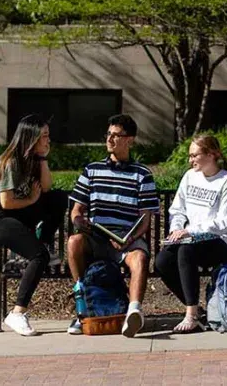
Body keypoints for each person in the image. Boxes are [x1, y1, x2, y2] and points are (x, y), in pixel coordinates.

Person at [67, 114, 159, 337]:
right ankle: (84, 310)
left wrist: (129, 238)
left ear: (130, 140)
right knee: (74, 242)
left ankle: (133, 312)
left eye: (116, 135)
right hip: (98, 238)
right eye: (108, 134)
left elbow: (145, 218)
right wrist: (81, 222)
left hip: (128, 239)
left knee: (140, 258)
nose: (110, 139)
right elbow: (76, 212)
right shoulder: (92, 170)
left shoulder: (142, 174)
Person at [0, 115, 68, 336]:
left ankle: (43, 243)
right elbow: (6, 202)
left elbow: (46, 189)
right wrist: (31, 200)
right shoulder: (11, 163)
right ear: (32, 138)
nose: (48, 140)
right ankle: (17, 313)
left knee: (58, 198)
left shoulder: (34, 159)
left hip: (19, 211)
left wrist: (43, 159)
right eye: (44, 136)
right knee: (39, 256)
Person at [155, 134, 227, 333]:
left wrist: (189, 231)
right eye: (190, 156)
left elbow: (223, 222)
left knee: (186, 250)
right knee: (162, 261)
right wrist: (176, 230)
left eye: (195, 155)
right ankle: (200, 310)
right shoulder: (189, 177)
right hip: (191, 238)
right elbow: (177, 210)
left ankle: (191, 315)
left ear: (212, 154)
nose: (191, 160)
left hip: (221, 242)